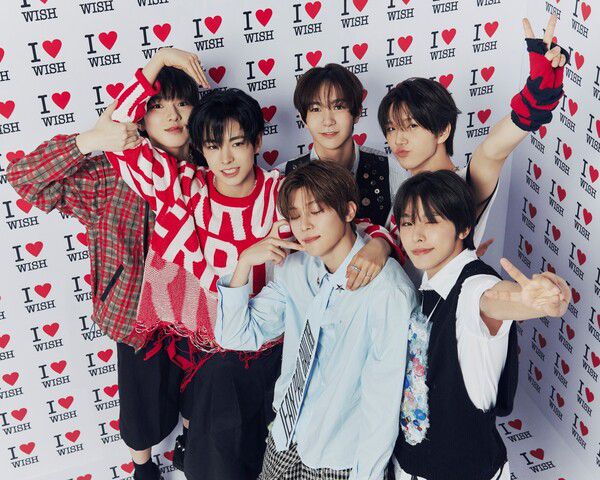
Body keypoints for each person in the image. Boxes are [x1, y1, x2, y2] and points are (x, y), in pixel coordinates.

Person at [104, 48, 396, 480]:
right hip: (206, 345)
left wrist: (382, 244)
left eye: (238, 143)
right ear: (200, 149)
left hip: (275, 345)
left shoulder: (281, 192)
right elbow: (115, 134)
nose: (226, 158)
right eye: (213, 146)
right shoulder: (183, 188)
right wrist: (157, 61)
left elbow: (347, 224)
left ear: (258, 143)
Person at [6, 62, 209, 479]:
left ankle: (189, 447)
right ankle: (142, 467)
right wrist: (91, 140)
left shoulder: (210, 168)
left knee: (200, 387)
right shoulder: (110, 174)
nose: (172, 115)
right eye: (158, 105)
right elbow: (23, 178)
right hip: (136, 312)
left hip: (196, 307)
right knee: (139, 403)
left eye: (183, 104)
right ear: (140, 116)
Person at [215, 160, 417, 480]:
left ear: (349, 211)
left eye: (317, 211)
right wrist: (244, 262)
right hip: (284, 438)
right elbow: (235, 335)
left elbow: (383, 399)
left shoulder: (387, 290)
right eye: (295, 216)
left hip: (339, 457)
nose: (305, 226)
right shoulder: (295, 269)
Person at [392, 170, 570, 480]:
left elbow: (493, 299)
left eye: (431, 221)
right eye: (408, 223)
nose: (416, 236)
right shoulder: (426, 279)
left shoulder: (475, 287)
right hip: (408, 464)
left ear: (463, 227)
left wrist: (536, 300)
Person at [379, 16, 567, 281]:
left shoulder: (467, 180)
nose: (398, 139)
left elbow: (495, 147)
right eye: (391, 128)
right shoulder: (403, 184)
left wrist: (537, 94)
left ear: (443, 130)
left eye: (411, 126)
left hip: (441, 305)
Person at [278, 63, 406, 289]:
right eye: (315, 109)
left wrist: (383, 245)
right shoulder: (283, 177)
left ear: (357, 112)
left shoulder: (390, 171)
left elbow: (411, 235)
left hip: (378, 295)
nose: (327, 121)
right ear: (303, 118)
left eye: (338, 107)